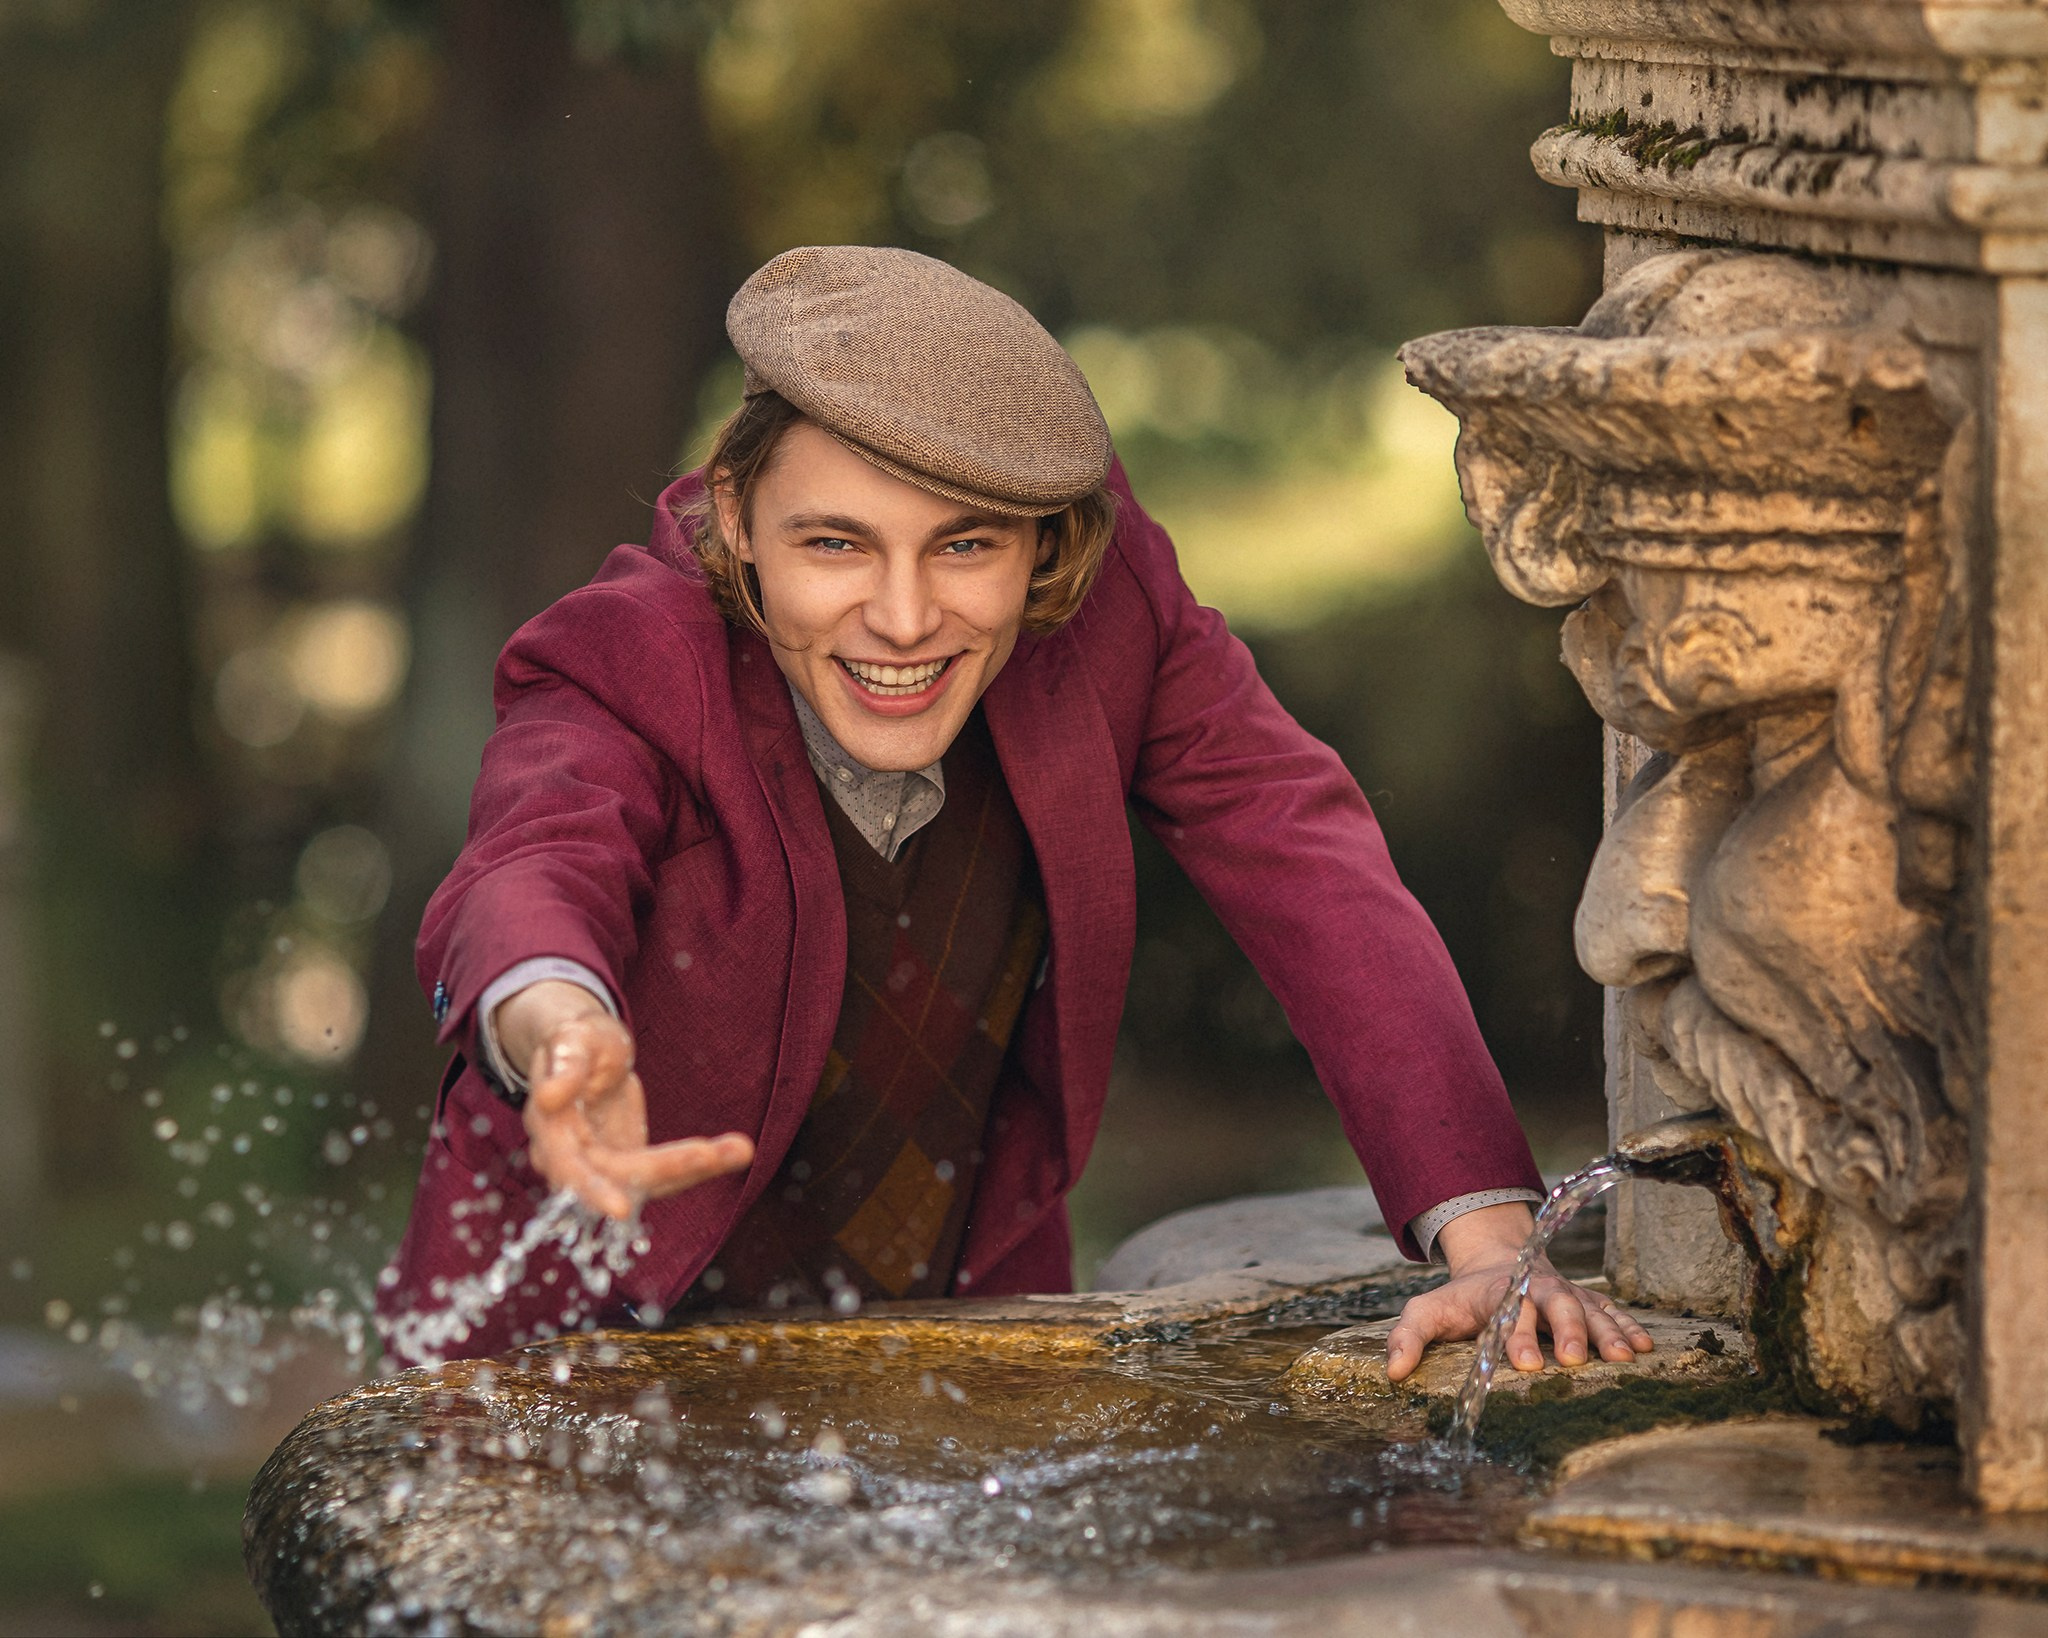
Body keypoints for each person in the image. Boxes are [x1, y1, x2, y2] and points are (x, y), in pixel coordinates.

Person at [377, 245, 1651, 1383]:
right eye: (834, 546)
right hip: (572, 1338)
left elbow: (1302, 853)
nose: (902, 618)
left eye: (965, 546)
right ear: (735, 521)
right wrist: (558, 1021)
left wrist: (1490, 1239)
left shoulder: (1115, 607)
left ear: (1043, 543)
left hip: (955, 1319)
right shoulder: (627, 651)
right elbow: (527, 867)